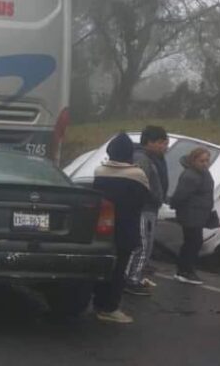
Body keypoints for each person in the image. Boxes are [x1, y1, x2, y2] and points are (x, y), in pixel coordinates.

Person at [91, 133, 154, 324]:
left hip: (103, 227)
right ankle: (110, 307)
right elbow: (143, 200)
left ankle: (98, 303)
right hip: (126, 227)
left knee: (104, 267)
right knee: (119, 269)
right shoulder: (136, 175)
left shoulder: (100, 171)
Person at [125, 125, 169, 296]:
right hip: (144, 208)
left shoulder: (155, 158)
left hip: (150, 208)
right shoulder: (142, 158)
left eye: (165, 143)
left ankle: (133, 276)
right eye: (160, 143)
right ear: (149, 142)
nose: (164, 147)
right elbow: (141, 184)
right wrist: (152, 198)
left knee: (145, 245)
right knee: (142, 245)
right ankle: (131, 279)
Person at [169, 147, 214, 285]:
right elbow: (180, 195)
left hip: (199, 213)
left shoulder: (204, 173)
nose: (205, 163)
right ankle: (185, 271)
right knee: (193, 242)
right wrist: (174, 205)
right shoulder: (190, 176)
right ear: (193, 160)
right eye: (202, 161)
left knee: (193, 242)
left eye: (207, 160)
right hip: (190, 214)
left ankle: (185, 270)